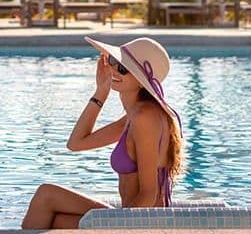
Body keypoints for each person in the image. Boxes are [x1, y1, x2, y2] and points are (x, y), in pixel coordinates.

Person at [21, 36, 183, 229]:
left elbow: (149, 194)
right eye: (114, 62)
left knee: (46, 196)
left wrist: (116, 226)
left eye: (123, 68)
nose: (113, 70)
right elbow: (76, 143)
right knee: (53, 216)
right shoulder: (133, 116)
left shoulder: (144, 118)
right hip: (130, 215)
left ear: (141, 81)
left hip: (144, 223)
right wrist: (101, 93)